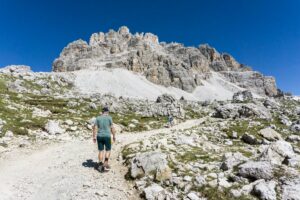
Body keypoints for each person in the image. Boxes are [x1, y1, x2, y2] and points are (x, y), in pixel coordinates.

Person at [93, 107, 116, 172]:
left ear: (102, 112)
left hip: (99, 136)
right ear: (107, 112)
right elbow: (112, 128)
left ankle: (100, 164)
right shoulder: (109, 118)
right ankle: (105, 163)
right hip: (107, 136)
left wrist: (94, 137)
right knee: (108, 150)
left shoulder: (98, 118)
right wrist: (114, 136)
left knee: (101, 151)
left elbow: (94, 128)